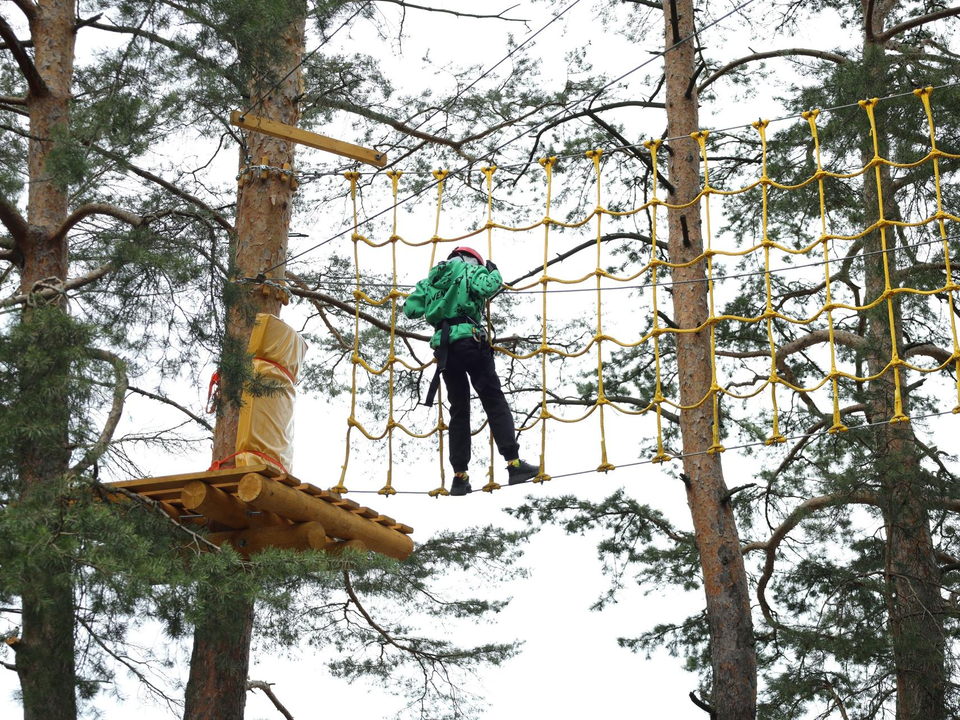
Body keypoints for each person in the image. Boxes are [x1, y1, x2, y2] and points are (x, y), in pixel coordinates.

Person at [402, 246, 540, 495]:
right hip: (470, 341)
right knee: (494, 400)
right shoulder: (469, 269)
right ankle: (514, 464)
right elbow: (488, 287)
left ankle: (459, 476)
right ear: (470, 260)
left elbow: (410, 310)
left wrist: (434, 296)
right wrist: (493, 271)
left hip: (444, 352)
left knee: (459, 411)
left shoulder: (428, 281)